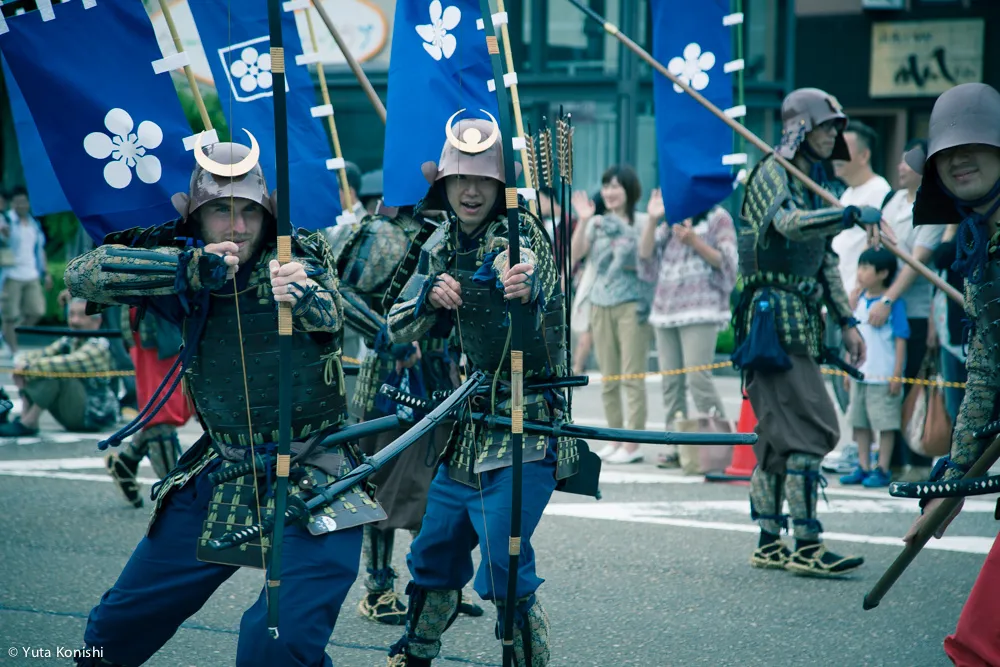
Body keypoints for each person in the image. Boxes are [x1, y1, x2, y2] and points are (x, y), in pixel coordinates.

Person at [63, 140, 384, 667]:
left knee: (277, 645)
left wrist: (299, 295)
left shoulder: (299, 252)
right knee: (112, 633)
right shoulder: (181, 257)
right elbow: (81, 275)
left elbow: (329, 315)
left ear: (267, 213)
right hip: (225, 466)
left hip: (317, 470)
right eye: (219, 211)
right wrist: (186, 270)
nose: (235, 226)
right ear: (196, 217)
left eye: (247, 212)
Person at [384, 117, 574, 666]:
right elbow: (394, 327)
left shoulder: (517, 232)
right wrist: (427, 300)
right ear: (441, 184)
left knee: (502, 560)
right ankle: (415, 654)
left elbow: (532, 269)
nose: (471, 191)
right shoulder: (439, 241)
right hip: (468, 423)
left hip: (528, 419)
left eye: (483, 181)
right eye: (459, 179)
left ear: (501, 187)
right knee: (433, 551)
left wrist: (525, 278)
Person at [734, 87, 883, 577]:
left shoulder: (815, 179)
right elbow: (791, 225)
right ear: (801, 127)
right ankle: (806, 543)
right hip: (770, 319)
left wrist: (845, 321)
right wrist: (846, 215)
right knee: (811, 426)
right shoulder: (772, 171)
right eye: (825, 126)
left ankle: (770, 540)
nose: (832, 135)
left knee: (782, 435)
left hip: (800, 316)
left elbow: (822, 261)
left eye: (836, 128)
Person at [902, 82, 1000, 667]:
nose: (959, 159)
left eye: (976, 144)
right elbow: (988, 366)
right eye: (946, 151)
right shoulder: (979, 241)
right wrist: (953, 482)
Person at [639, 191, 738, 468]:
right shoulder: (669, 219)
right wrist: (651, 218)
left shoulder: (718, 218)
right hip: (666, 309)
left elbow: (727, 262)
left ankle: (718, 445)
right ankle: (676, 446)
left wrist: (694, 240)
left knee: (698, 378)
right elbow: (645, 258)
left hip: (701, 309)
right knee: (671, 383)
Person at [570, 165, 653, 464]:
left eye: (616, 186)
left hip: (633, 303)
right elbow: (575, 254)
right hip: (600, 303)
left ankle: (633, 444)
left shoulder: (643, 220)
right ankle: (617, 439)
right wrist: (584, 220)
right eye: (606, 186)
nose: (609, 192)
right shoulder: (597, 223)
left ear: (629, 190)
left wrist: (654, 221)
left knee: (632, 375)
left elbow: (645, 255)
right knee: (609, 377)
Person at [104, 306, 193, 508]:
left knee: (184, 401)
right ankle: (174, 494)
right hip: (152, 312)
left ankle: (127, 461)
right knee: (162, 408)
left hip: (181, 311)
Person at [839, 248, 908, 488]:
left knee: (885, 423)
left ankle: (883, 468)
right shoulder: (857, 301)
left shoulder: (892, 305)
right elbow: (853, 336)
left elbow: (901, 339)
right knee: (859, 421)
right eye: (860, 267)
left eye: (866, 268)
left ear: (883, 273)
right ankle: (863, 465)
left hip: (883, 375)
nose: (860, 273)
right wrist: (849, 368)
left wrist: (897, 374)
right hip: (860, 374)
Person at [0, 298, 118, 436]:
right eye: (71, 314)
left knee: (54, 370)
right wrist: (22, 364)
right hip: (74, 410)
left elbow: (68, 363)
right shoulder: (69, 340)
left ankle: (29, 422)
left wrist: (26, 367)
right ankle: (25, 416)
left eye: (82, 315)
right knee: (40, 366)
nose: (75, 321)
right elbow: (41, 354)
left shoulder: (100, 346)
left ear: (97, 321)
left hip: (94, 415)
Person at [831, 121, 894, 296]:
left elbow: (875, 247)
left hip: (856, 298)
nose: (836, 156)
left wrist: (858, 290)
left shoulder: (879, 191)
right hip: (840, 293)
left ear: (864, 155)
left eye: (843, 150)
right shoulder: (847, 193)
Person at [0, 186, 51, 354]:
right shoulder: (6, 219)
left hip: (31, 273)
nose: (21, 205)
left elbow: (40, 250)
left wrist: (46, 273)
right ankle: (13, 349)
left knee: (37, 311)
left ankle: (8, 335)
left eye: (24, 202)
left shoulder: (34, 224)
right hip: (11, 274)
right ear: (12, 203)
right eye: (18, 202)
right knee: (9, 315)